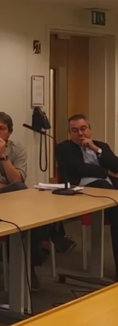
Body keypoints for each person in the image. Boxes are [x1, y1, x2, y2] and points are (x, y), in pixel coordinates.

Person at [0, 111, 46, 290]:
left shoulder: (18, 150)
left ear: (9, 132)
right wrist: (12, 186)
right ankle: (47, 239)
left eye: (2, 128)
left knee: (25, 215)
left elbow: (17, 179)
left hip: (16, 201)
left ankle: (26, 267)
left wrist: (3, 156)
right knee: (23, 195)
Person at [55, 113, 118, 281]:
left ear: (90, 129)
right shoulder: (63, 148)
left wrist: (96, 150)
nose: (80, 133)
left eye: (83, 129)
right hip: (82, 188)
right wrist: (106, 172)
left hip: (109, 187)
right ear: (70, 133)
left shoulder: (101, 146)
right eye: (75, 130)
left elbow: (117, 165)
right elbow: (78, 168)